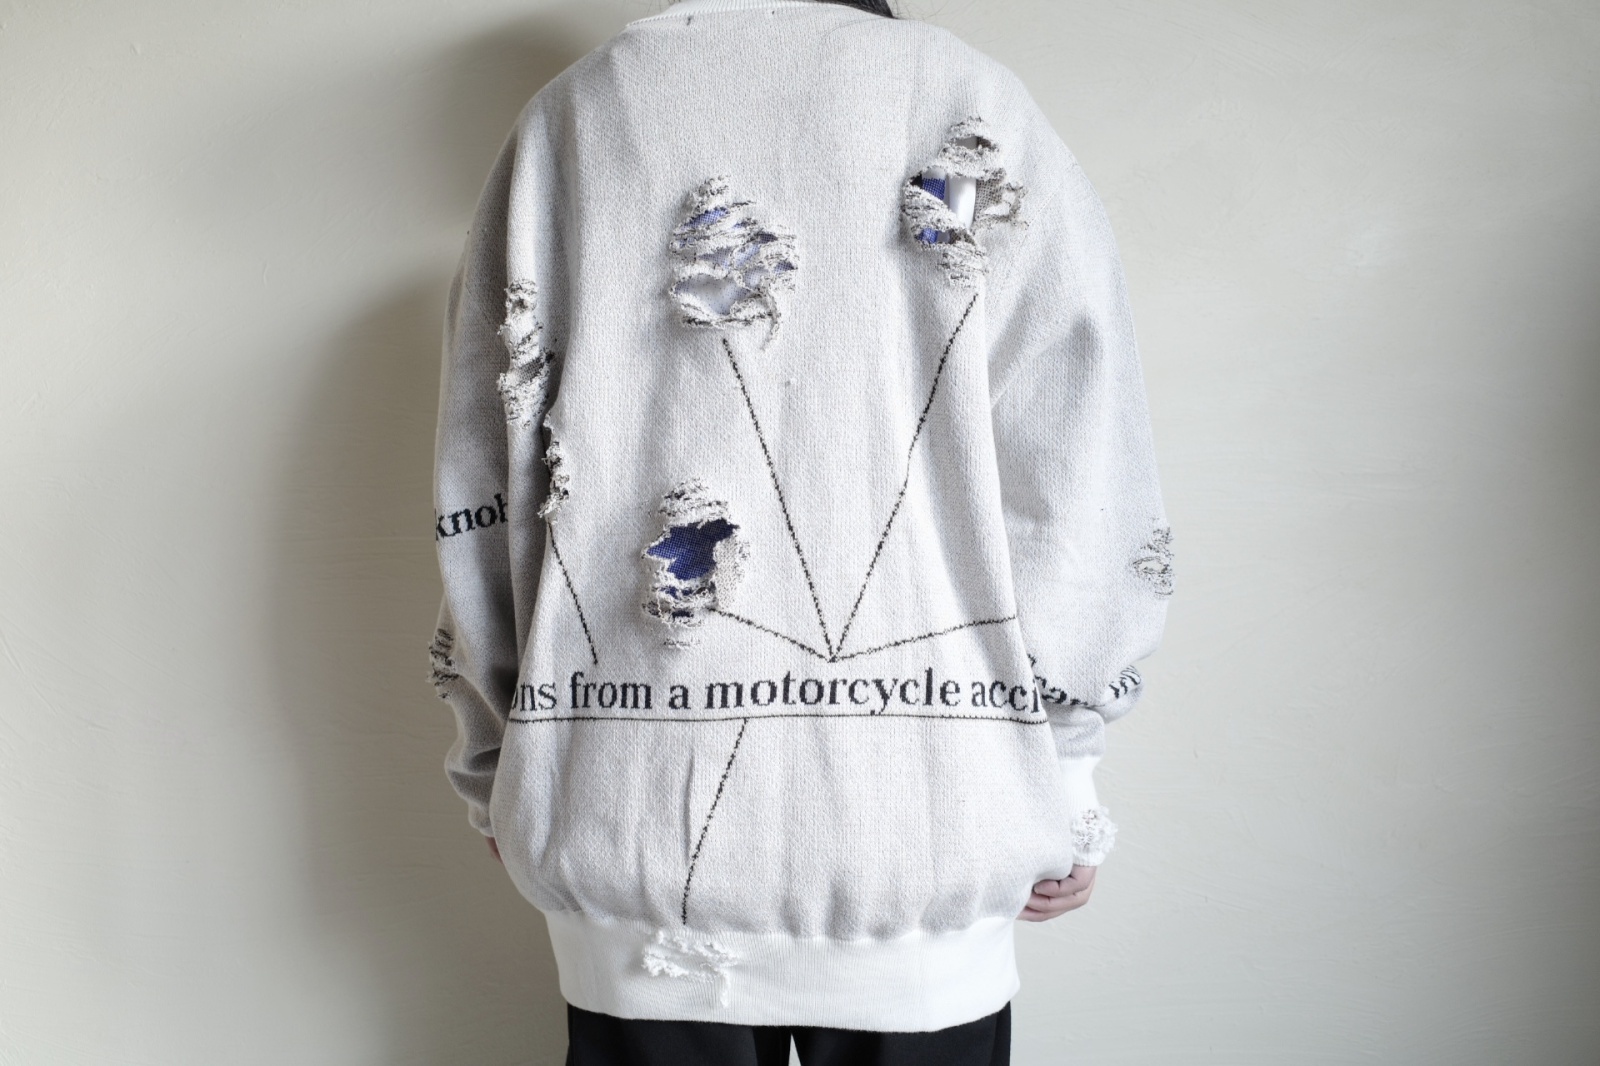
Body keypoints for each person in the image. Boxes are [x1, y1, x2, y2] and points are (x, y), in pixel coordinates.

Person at [428, 0, 1173, 1061]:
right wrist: (1067, 770)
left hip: (626, 832)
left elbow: (486, 477)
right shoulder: (966, 103)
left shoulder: (572, 118)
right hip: (926, 834)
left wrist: (503, 758)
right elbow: (1077, 467)